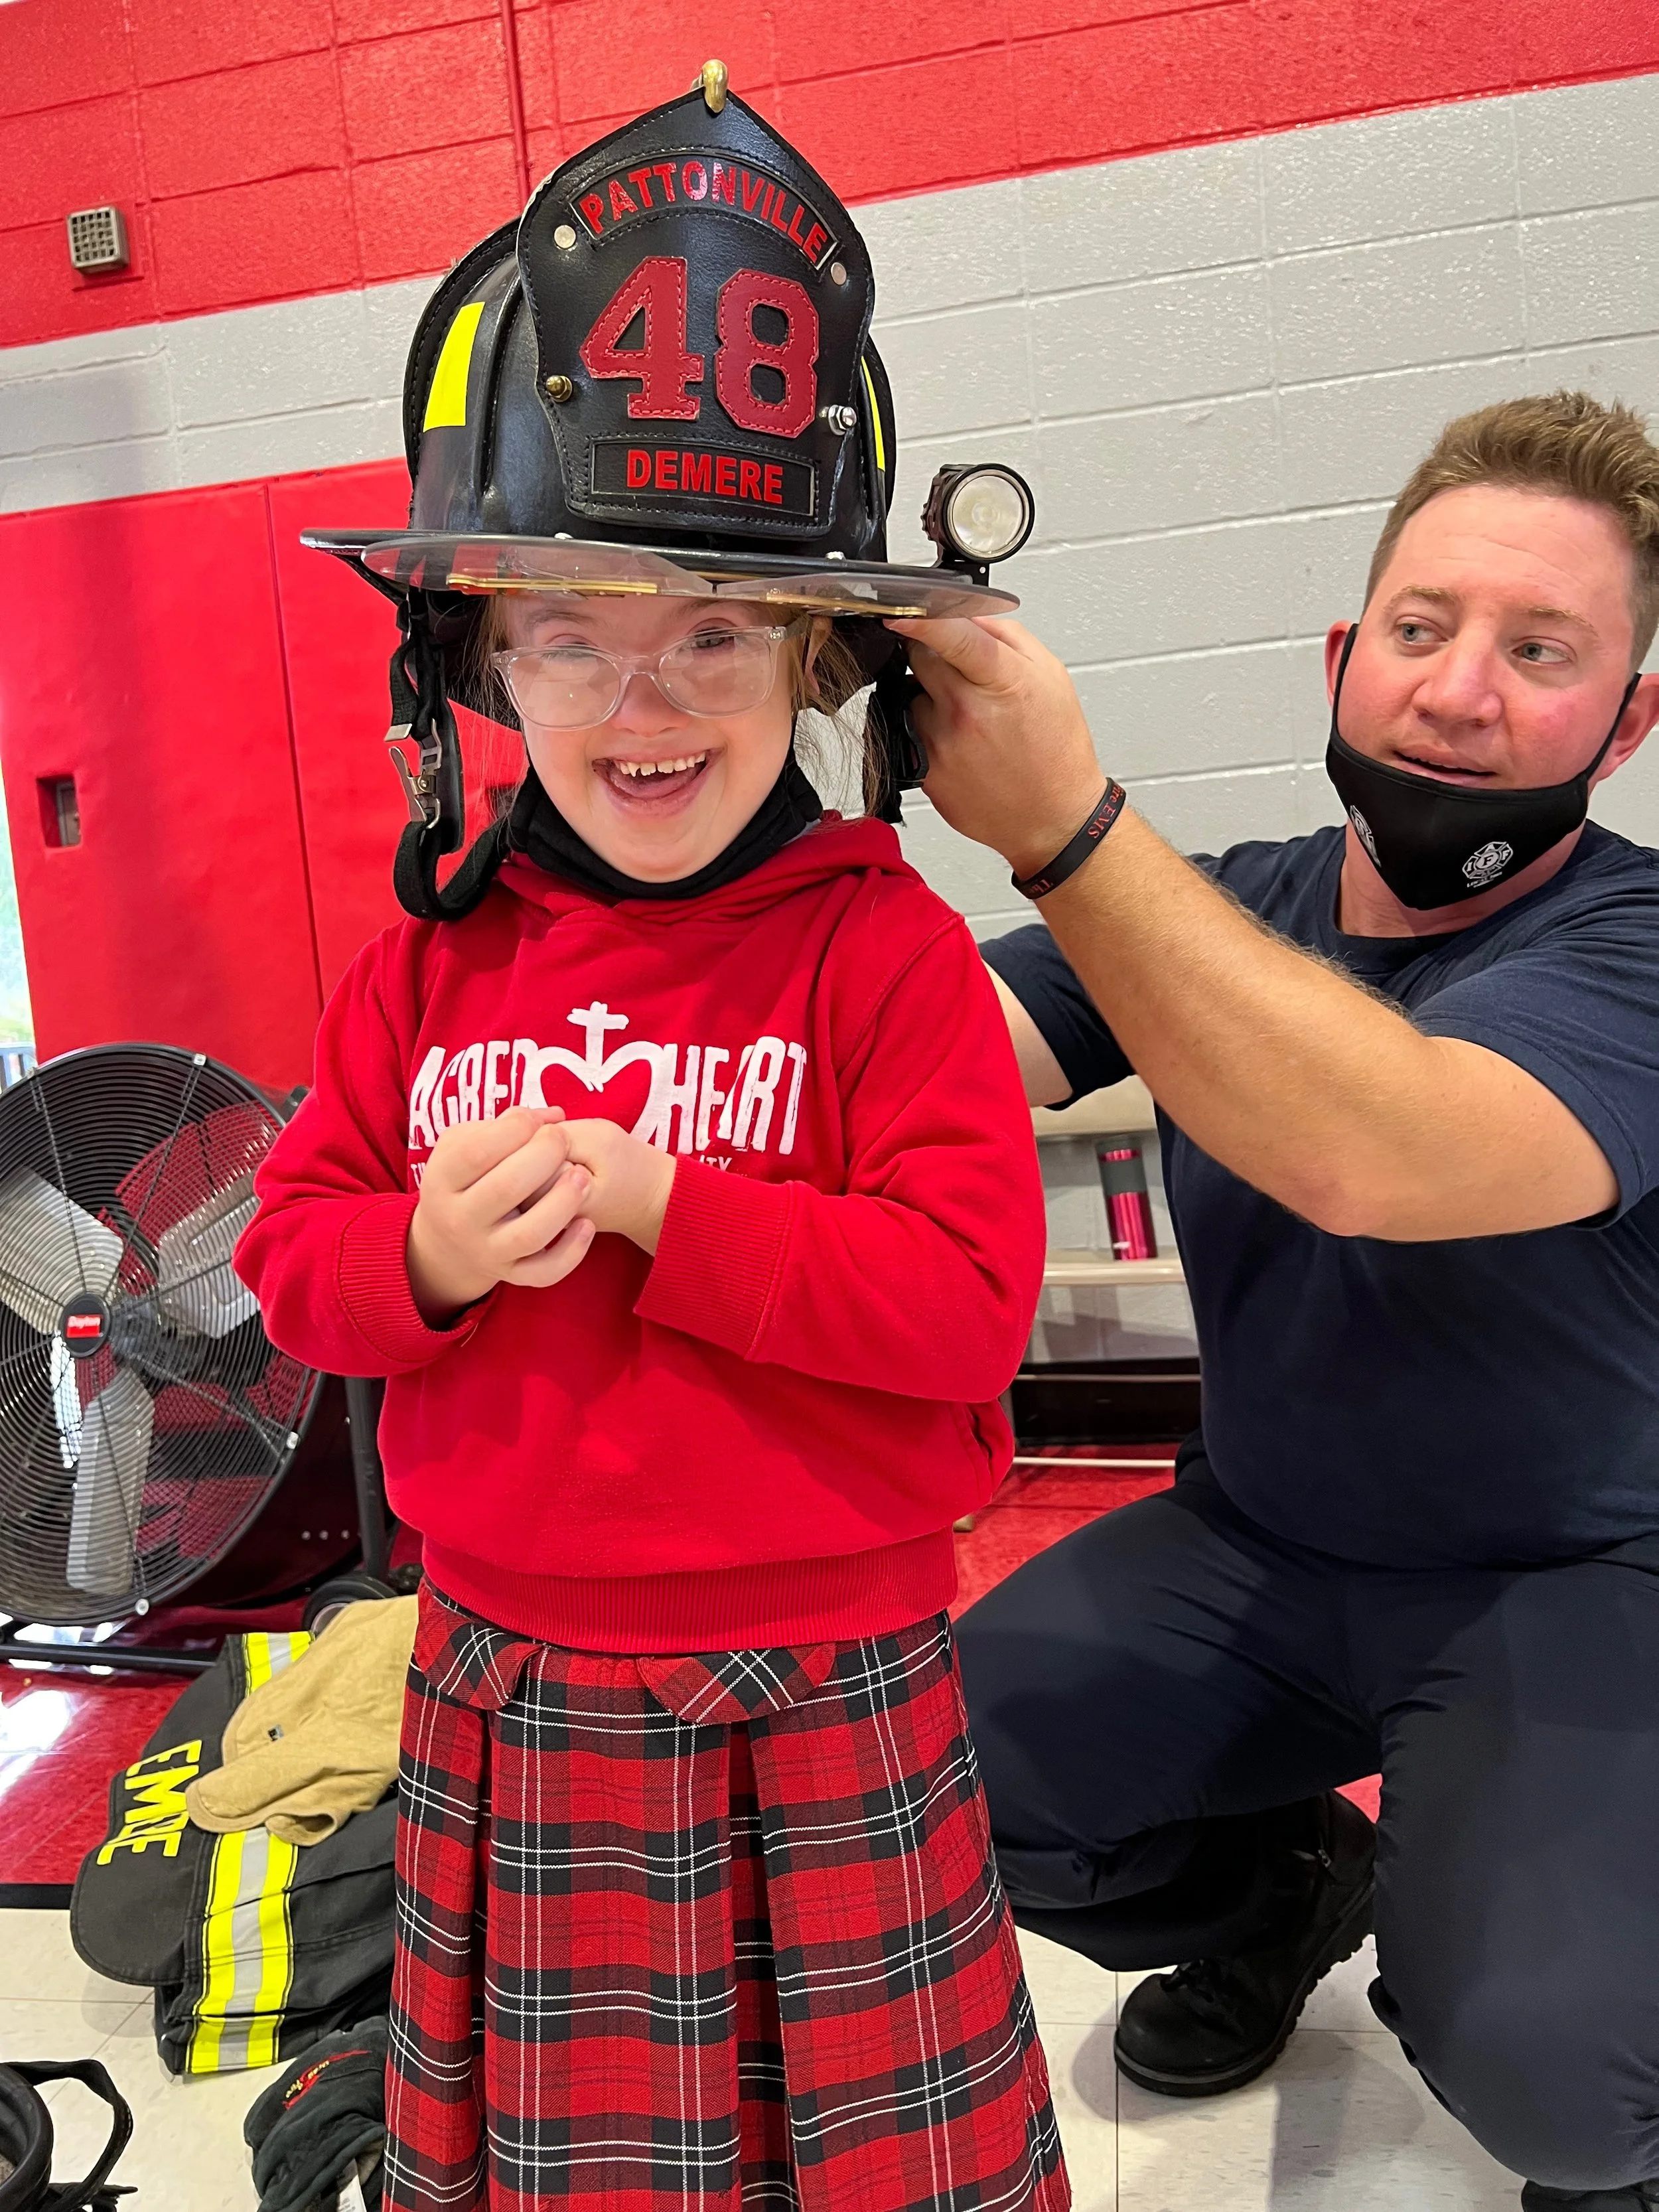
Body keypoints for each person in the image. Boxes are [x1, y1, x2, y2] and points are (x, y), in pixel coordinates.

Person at [235, 72, 1067, 2212]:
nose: (645, 701)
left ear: (814, 661)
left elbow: (965, 1312)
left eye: (715, 632)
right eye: (572, 638)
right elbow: (292, 1257)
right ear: (482, 667)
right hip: (509, 1671)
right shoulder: (431, 957)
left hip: (835, 1677)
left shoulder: (882, 949)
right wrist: (422, 1257)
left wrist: (666, 1205)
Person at [891, 391, 1659, 2212]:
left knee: (1561, 2081)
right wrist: (719, 772)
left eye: (1539, 650)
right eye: (1420, 626)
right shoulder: (1223, 911)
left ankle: (1594, 2094)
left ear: (1628, 722)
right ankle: (1285, 1897)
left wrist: (1064, 826)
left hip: (1569, 1581)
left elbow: (1380, 1147)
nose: (1458, 692)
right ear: (1339, 657)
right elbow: (906, 1056)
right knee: (917, 1786)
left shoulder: (1633, 947)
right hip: (1257, 1551)